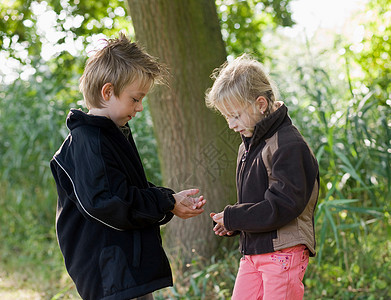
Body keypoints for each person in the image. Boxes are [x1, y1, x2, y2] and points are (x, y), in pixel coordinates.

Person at [50, 34, 206, 300]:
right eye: (135, 99)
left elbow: (129, 190)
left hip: (124, 271)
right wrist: (165, 201)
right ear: (107, 92)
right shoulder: (89, 141)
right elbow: (111, 202)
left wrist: (170, 201)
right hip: (109, 273)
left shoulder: (113, 135)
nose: (140, 108)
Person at [205, 54, 319, 300]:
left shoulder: (288, 144)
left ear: (260, 104)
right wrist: (234, 223)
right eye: (227, 117)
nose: (232, 125)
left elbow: (282, 205)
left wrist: (236, 216)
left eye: (235, 115)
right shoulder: (247, 147)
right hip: (254, 254)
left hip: (283, 253)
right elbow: (257, 202)